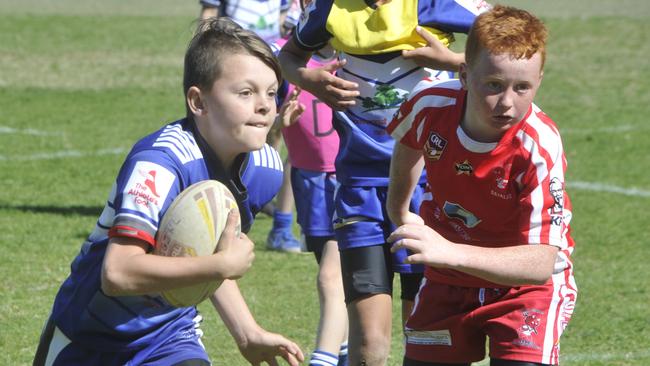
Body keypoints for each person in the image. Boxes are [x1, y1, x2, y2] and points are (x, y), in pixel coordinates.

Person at [33, 18, 304, 366]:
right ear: (198, 101)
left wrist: (247, 332)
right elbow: (117, 273)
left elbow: (200, 251)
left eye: (271, 92)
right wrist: (221, 264)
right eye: (246, 92)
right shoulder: (160, 165)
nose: (266, 106)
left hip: (169, 337)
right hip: (87, 336)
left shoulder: (265, 170)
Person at [278, 0, 488, 364]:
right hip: (359, 189)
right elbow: (288, 56)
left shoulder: (436, 4)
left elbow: (512, 45)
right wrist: (308, 79)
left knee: (426, 336)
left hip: (429, 193)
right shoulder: (331, 9)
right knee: (367, 344)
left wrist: (454, 64)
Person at [385, 5, 577, 366]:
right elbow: (408, 141)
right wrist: (398, 210)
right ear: (463, 74)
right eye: (493, 85)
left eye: (522, 88)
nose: (507, 102)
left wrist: (448, 251)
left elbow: (540, 263)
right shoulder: (429, 104)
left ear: (538, 82)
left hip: (525, 290)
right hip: (447, 280)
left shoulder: (539, 145)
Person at [199, 0, 304, 253]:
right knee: (233, 140)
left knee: (273, 137)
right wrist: (203, 60)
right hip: (230, 63)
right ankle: (216, 208)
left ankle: (263, 206)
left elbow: (283, 19)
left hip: (270, 60)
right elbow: (209, 14)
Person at [275, 35, 349, 365]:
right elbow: (265, 131)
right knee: (335, 277)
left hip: (351, 181)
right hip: (309, 183)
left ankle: (324, 358)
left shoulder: (362, 54)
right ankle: (348, 350)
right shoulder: (281, 58)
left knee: (331, 278)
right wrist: (280, 122)